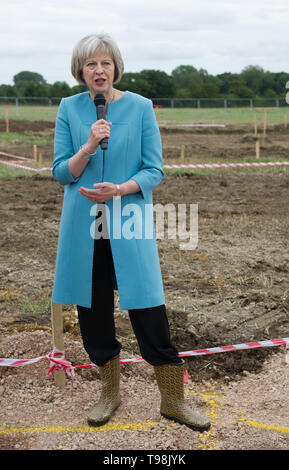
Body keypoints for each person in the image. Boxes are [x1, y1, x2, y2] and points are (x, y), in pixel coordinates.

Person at [51, 32, 210, 432]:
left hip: (128, 221)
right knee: (93, 313)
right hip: (83, 228)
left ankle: (173, 401)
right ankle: (109, 394)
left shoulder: (140, 108)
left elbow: (154, 169)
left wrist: (120, 189)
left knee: (147, 309)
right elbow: (59, 173)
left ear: (115, 67)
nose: (99, 70)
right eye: (91, 64)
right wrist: (88, 146)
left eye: (105, 62)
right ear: (81, 71)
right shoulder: (69, 109)